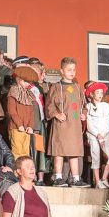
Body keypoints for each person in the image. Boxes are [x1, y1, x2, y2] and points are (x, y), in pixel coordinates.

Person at [44, 58, 84, 186]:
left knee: (74, 152)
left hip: (75, 126)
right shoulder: (56, 87)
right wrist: (56, 114)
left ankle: (76, 178)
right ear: (62, 71)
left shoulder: (77, 87)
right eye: (69, 70)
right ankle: (58, 177)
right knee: (59, 151)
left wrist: (84, 114)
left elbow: (83, 104)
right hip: (61, 125)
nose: (72, 72)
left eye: (74, 70)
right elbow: (49, 105)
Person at [4, 63, 43, 182]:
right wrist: (19, 124)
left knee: (25, 153)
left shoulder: (28, 93)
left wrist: (30, 126)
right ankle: (16, 175)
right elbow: (12, 111)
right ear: (19, 79)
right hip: (16, 128)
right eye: (25, 81)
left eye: (29, 82)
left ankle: (25, 177)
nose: (27, 84)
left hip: (26, 129)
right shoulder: (13, 91)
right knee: (17, 152)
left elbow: (31, 112)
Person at [80, 80, 109, 189]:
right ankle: (98, 181)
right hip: (93, 135)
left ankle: (104, 178)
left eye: (101, 93)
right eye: (97, 93)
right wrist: (97, 135)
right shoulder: (88, 106)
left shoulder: (106, 106)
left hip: (104, 135)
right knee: (96, 157)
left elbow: (108, 122)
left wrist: (103, 135)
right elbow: (89, 123)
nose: (100, 95)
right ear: (92, 94)